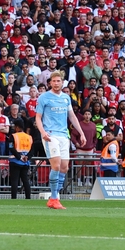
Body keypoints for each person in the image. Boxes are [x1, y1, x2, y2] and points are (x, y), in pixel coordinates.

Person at [36, 70, 86, 209]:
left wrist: (81, 133)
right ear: (50, 82)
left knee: (64, 167)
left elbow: (72, 116)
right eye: (54, 81)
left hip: (64, 135)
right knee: (56, 165)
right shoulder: (44, 98)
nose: (56, 83)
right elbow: (38, 118)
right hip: (50, 134)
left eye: (59, 81)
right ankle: (53, 198)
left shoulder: (66, 98)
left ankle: (55, 196)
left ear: (62, 82)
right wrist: (43, 132)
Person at [6, 118, 33, 199]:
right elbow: (32, 149)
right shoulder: (29, 137)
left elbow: (11, 148)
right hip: (26, 162)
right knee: (25, 181)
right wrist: (27, 157)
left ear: (17, 127)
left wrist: (19, 157)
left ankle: (14, 198)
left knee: (14, 181)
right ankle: (28, 198)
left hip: (15, 161)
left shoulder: (13, 136)